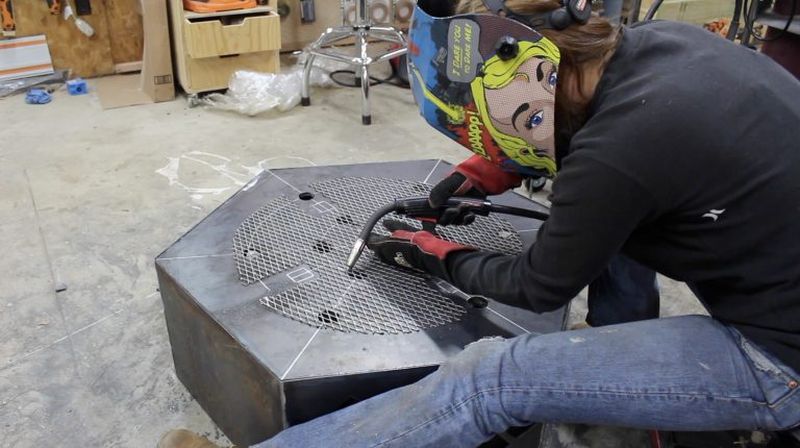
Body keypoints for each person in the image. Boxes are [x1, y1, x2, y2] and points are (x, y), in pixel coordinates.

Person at [159, 0, 800, 446]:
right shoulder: (662, 47)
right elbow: (608, 154)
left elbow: (538, 285)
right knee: (624, 225)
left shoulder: (618, 155)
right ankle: (620, 336)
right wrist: (497, 167)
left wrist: (430, 253)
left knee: (492, 379)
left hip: (780, 357)